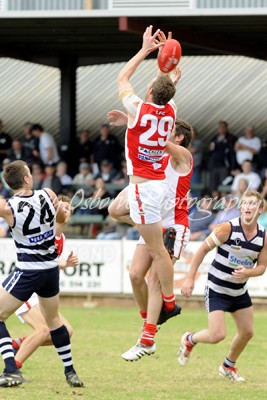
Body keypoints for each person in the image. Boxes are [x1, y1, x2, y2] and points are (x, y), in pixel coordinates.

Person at [108, 109, 193, 360]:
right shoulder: (154, 161)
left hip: (174, 226)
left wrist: (136, 124)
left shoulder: (183, 157)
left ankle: (147, 339)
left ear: (178, 138)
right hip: (153, 223)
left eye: (169, 130)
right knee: (135, 275)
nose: (163, 130)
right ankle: (150, 323)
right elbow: (119, 206)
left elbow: (154, 139)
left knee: (155, 280)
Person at [0, 160, 83, 388]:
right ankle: (70, 372)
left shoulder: (8, 207)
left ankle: (11, 369)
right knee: (55, 322)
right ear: (27, 179)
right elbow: (61, 219)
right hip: (50, 270)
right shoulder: (48, 193)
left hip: (28, 270)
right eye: (30, 172)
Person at [117, 25, 178, 319]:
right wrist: (169, 63)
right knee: (119, 215)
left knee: (157, 250)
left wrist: (146, 49)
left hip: (143, 188)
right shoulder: (171, 111)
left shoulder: (139, 110)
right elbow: (167, 89)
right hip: (157, 184)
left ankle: (167, 303)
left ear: (150, 91)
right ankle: (164, 303)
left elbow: (122, 77)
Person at [178, 190, 267, 382]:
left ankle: (228, 366)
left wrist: (248, 272)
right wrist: (190, 278)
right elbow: (201, 250)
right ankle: (189, 339)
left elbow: (261, 267)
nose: (248, 207)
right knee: (217, 335)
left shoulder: (263, 237)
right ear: (241, 207)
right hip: (217, 289)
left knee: (247, 332)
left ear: (261, 209)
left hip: (239, 291)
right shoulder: (227, 229)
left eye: (253, 204)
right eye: (245, 203)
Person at [13, 195, 78, 369]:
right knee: (42, 330)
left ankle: (15, 345)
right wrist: (63, 264)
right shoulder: (43, 229)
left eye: (69, 209)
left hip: (40, 291)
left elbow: (47, 265)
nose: (66, 210)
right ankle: (12, 368)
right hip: (26, 287)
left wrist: (63, 265)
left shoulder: (61, 238)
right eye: (62, 206)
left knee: (67, 332)